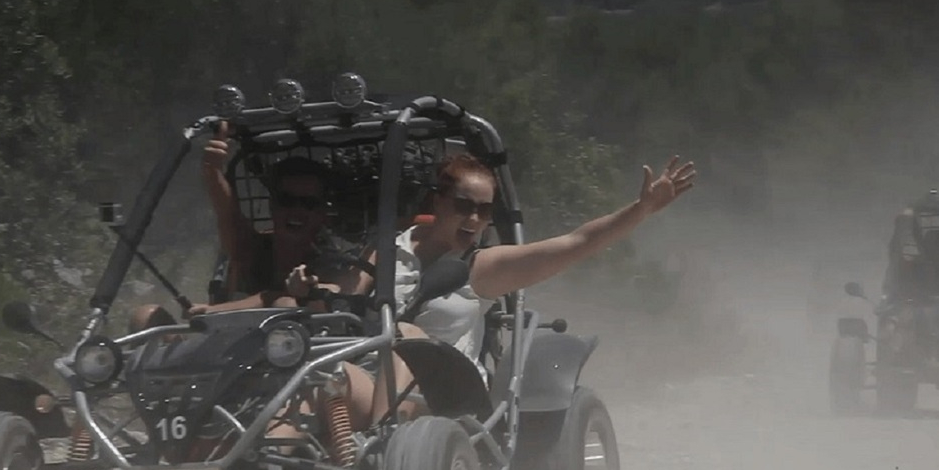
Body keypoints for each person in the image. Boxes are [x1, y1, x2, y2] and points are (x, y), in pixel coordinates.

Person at [294, 151, 696, 429]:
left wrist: (641, 209)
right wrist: (307, 289)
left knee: (407, 335)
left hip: (447, 394)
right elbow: (340, 296)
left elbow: (576, 243)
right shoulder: (386, 250)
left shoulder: (484, 266)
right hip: (377, 379)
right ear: (437, 201)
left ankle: (389, 450)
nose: (474, 219)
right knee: (315, 383)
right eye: (463, 205)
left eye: (484, 210)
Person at [128, 123, 369, 332]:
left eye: (308, 203)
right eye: (286, 200)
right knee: (146, 316)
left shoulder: (331, 264)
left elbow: (281, 298)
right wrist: (212, 171)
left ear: (322, 215)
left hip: (295, 359)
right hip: (223, 353)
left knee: (285, 306)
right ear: (272, 206)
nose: (296, 210)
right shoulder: (252, 249)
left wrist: (216, 310)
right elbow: (228, 213)